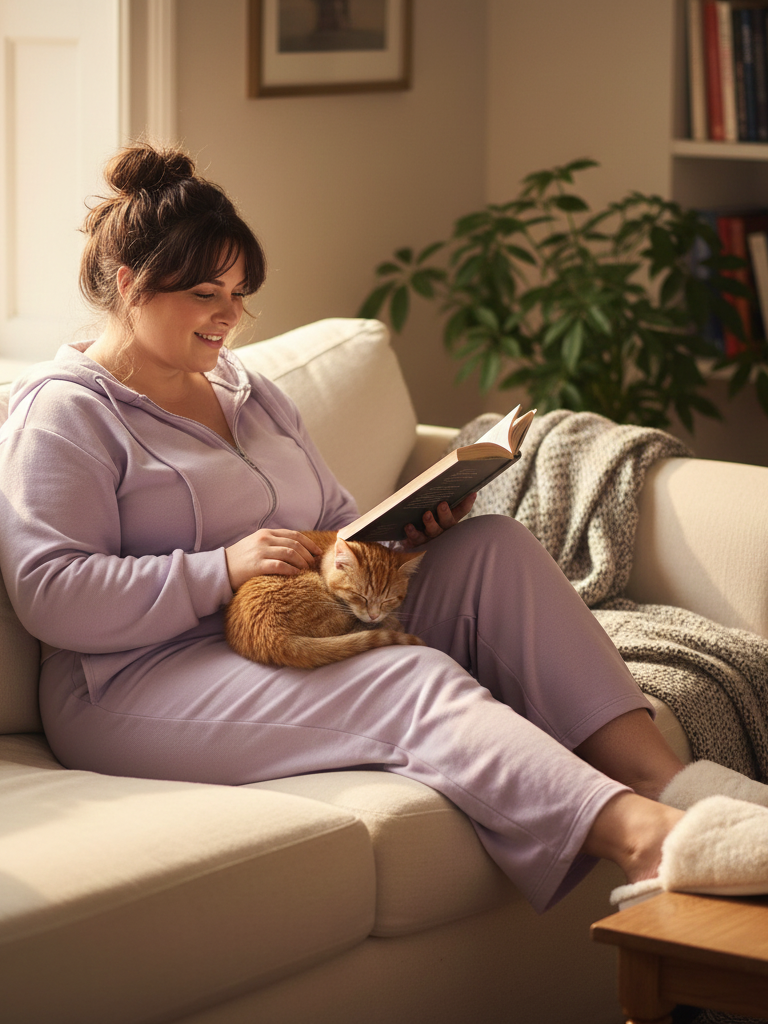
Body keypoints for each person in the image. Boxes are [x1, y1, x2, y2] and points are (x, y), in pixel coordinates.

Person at [1, 143, 767, 915]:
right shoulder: (66, 413)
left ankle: (664, 778)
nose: (230, 315)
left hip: (297, 609)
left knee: (493, 549)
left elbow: (336, 525)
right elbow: (50, 595)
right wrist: (220, 567)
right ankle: (651, 840)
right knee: (404, 677)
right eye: (206, 293)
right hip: (138, 678)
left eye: (238, 292)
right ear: (129, 283)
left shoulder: (248, 392)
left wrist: (405, 531)